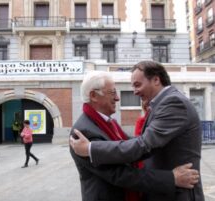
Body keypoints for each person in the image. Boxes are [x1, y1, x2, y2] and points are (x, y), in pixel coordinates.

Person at [70, 61, 204, 201]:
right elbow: (121, 171)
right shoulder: (82, 133)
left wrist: (91, 149)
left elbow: (143, 145)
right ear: (93, 95)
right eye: (113, 92)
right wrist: (170, 178)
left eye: (137, 85)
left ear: (156, 80)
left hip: (178, 194)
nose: (119, 97)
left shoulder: (173, 102)